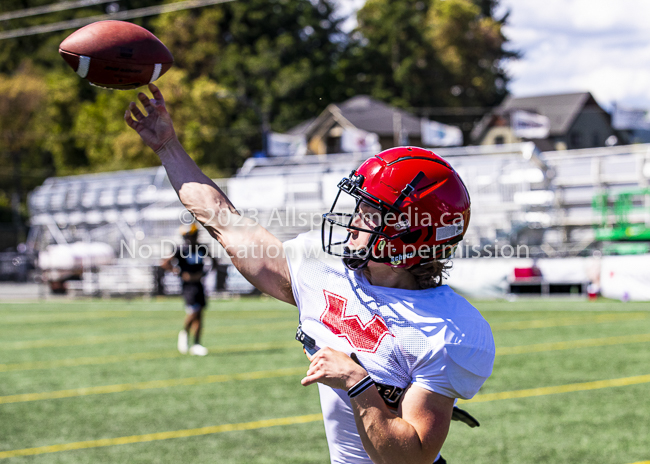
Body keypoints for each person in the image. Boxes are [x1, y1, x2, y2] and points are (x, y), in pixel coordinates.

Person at [125, 84, 495, 464]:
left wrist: (357, 382)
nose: (352, 222)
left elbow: (411, 458)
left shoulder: (448, 329)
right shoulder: (325, 270)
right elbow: (226, 223)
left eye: (370, 213)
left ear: (411, 233)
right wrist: (167, 146)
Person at [161, 222, 210, 356]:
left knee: (200, 314)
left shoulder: (202, 248)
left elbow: (214, 261)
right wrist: (177, 271)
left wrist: (205, 272)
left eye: (192, 236)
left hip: (199, 284)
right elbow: (164, 262)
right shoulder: (181, 249)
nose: (190, 239)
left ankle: (196, 344)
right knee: (194, 311)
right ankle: (184, 332)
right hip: (188, 286)